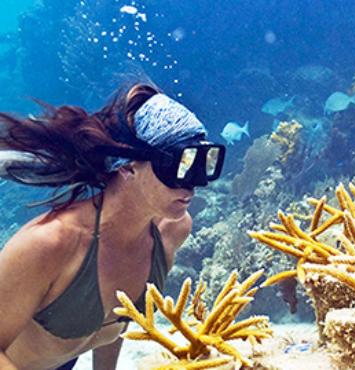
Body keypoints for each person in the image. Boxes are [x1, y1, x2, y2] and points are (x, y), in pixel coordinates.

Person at [0, 83, 226, 370]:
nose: (192, 184)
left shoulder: (172, 230)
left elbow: (117, 321)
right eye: (179, 165)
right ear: (128, 165)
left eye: (202, 164)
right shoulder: (49, 243)